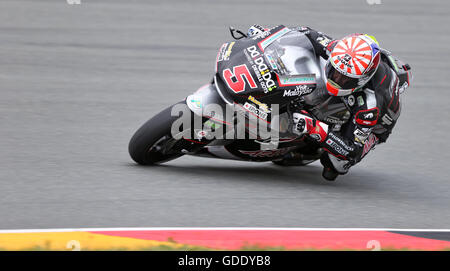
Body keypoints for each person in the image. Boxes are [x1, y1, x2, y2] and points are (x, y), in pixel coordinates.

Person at [248, 25, 412, 181]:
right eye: (334, 71)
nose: (336, 79)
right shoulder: (337, 50)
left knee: (336, 165)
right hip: (356, 86)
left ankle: (311, 148)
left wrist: (315, 128)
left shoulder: (370, 106)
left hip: (378, 123)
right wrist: (266, 35)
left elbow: (351, 150)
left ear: (362, 80)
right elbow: (305, 33)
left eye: (345, 79)